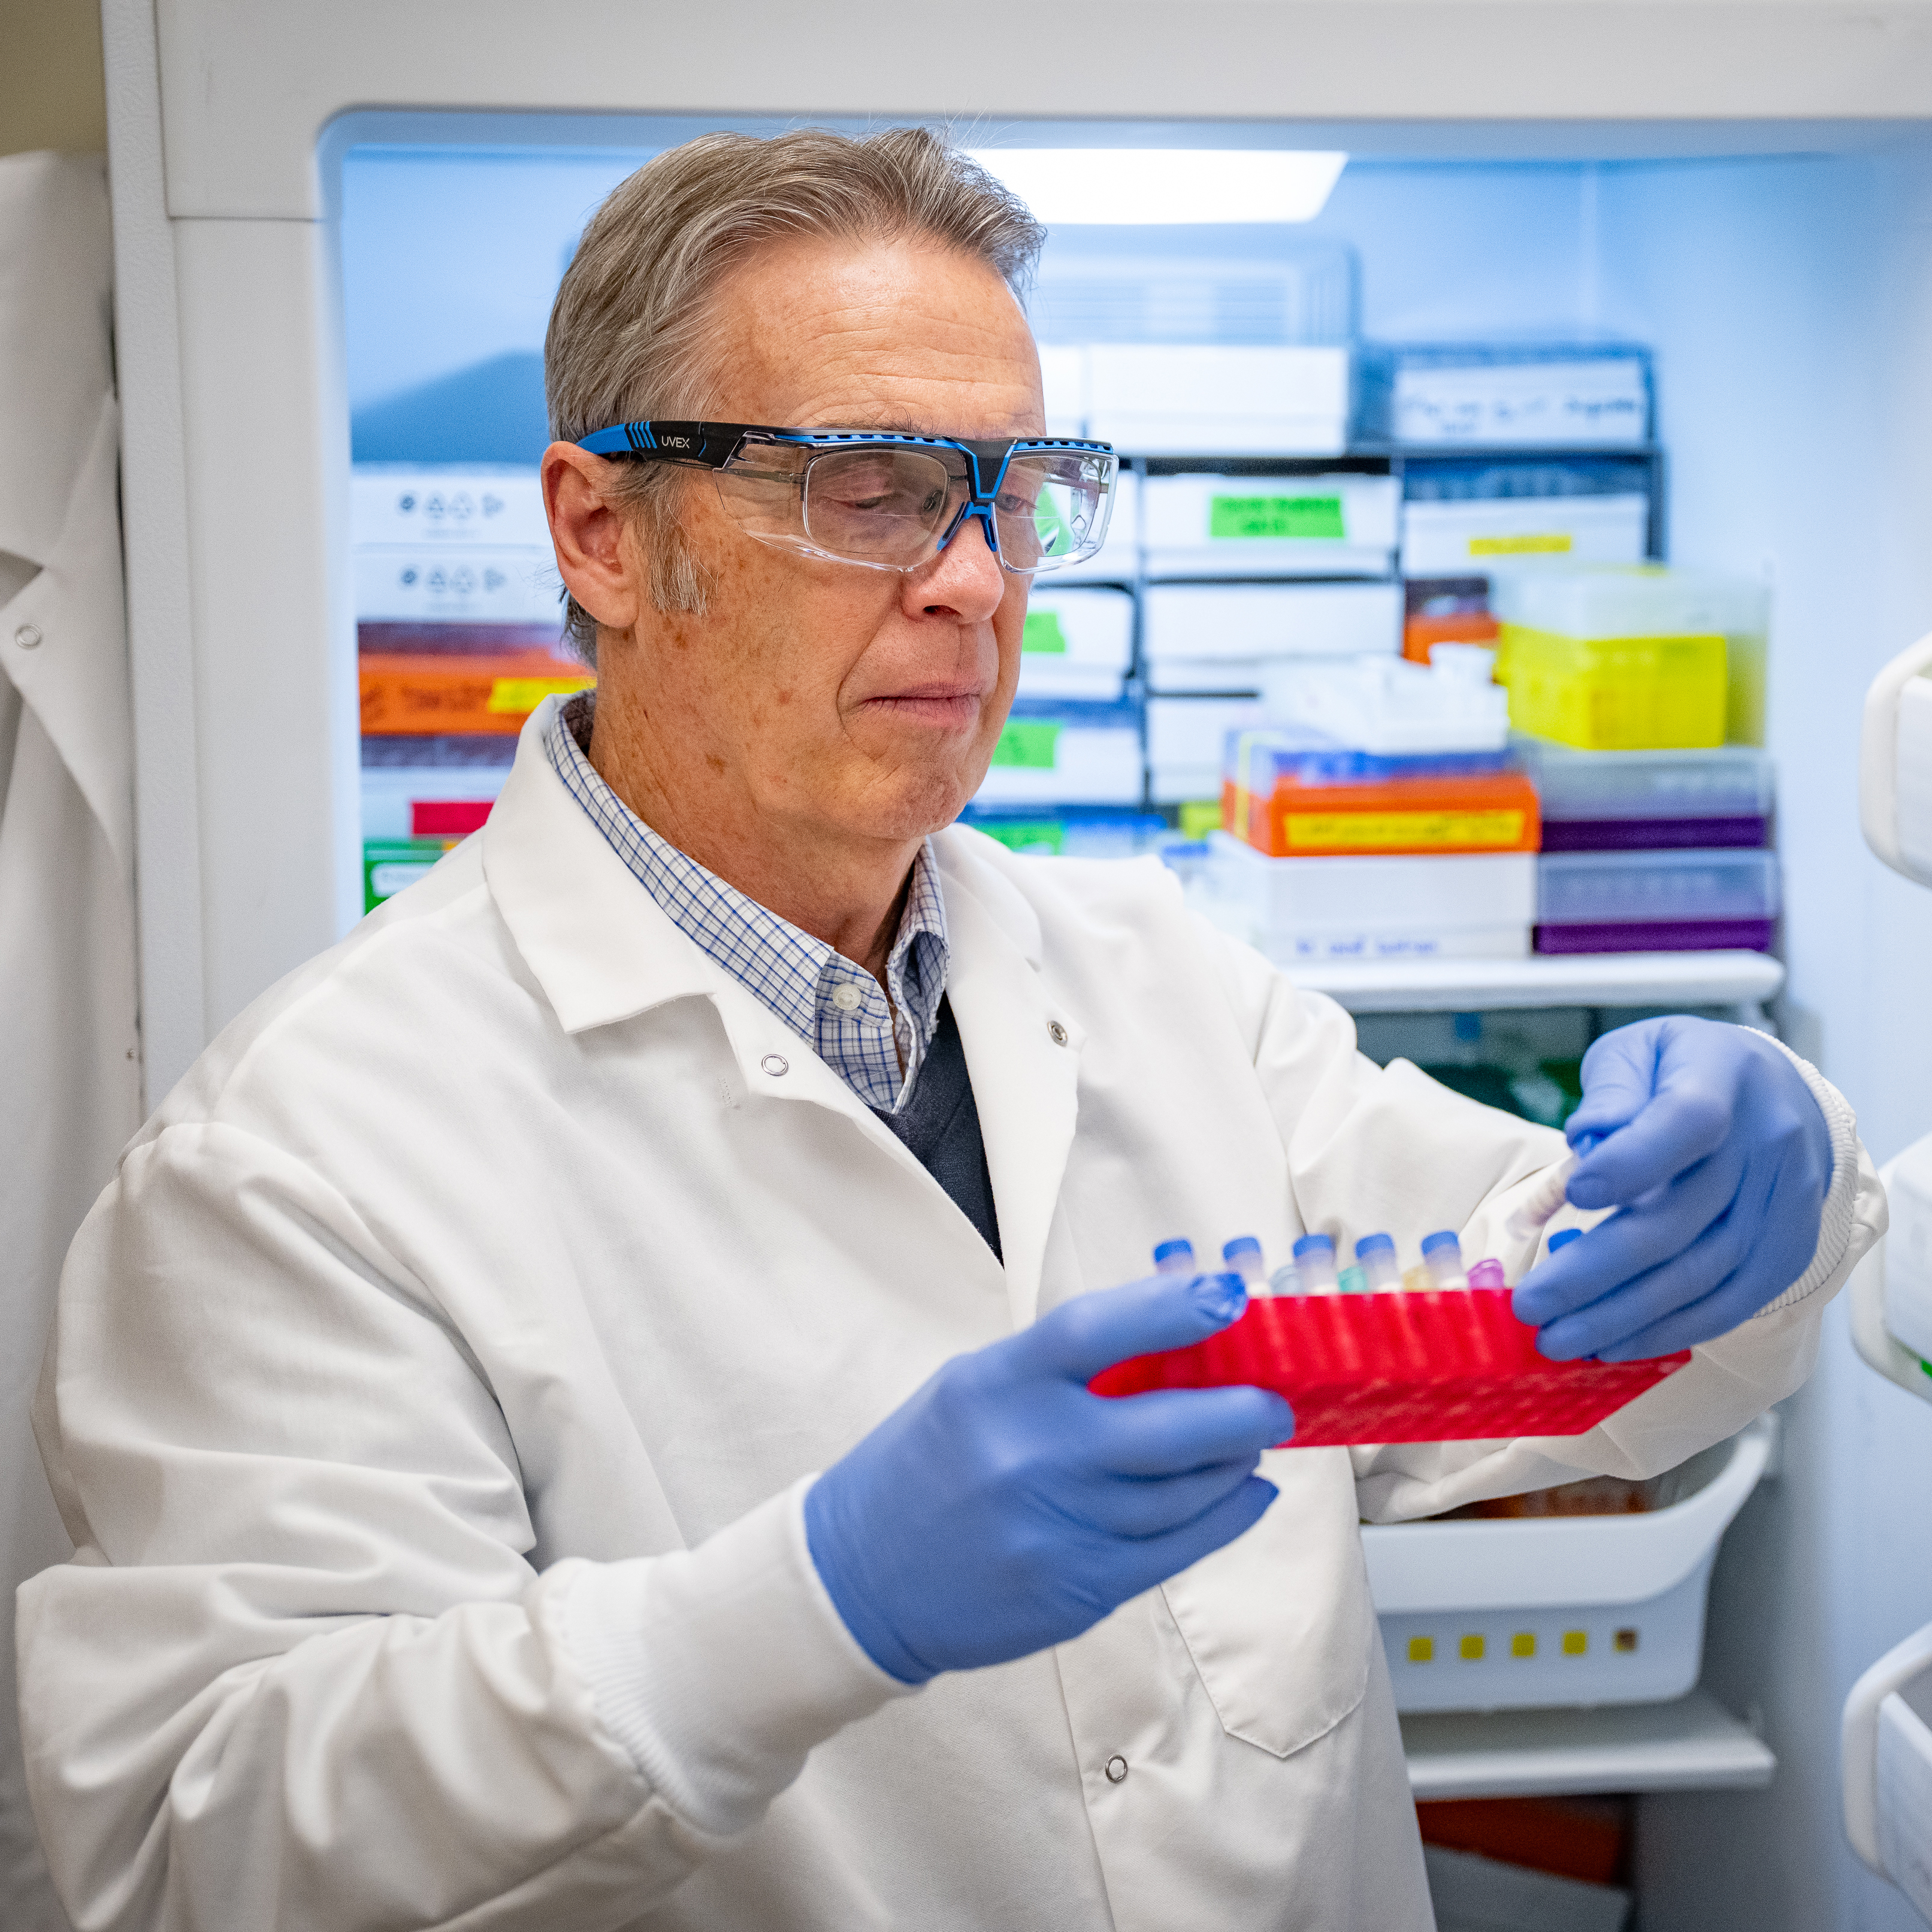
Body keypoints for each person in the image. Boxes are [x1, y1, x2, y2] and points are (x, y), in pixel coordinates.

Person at [19, 128, 1883, 1932]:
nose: (979, 577)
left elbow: (1538, 1342)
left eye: (1009, 488)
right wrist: (814, 1605)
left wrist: (1745, 1198)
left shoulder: (1149, 969)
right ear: (601, 530)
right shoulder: (304, 1157)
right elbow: (205, 1843)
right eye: (869, 486)